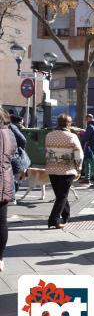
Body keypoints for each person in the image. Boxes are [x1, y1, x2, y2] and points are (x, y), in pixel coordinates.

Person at [45, 114, 82, 229]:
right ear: (69, 123)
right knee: (62, 196)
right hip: (67, 170)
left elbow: (46, 151)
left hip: (52, 168)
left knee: (60, 194)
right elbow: (79, 155)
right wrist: (79, 168)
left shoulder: (49, 135)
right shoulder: (72, 136)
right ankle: (53, 220)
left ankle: (66, 216)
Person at [0, 108, 17, 272]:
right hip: (3, 183)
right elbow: (14, 154)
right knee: (1, 223)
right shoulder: (9, 134)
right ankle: (0, 258)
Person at [80, 114, 94, 188]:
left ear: (89, 118)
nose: (86, 121)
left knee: (93, 164)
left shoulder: (90, 127)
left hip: (89, 148)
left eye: (86, 119)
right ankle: (87, 179)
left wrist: (81, 135)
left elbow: (85, 138)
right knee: (87, 162)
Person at [8, 115, 28, 200]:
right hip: (11, 155)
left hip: (10, 155)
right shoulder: (11, 126)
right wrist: (19, 150)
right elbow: (22, 140)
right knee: (11, 175)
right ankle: (11, 196)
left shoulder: (11, 126)